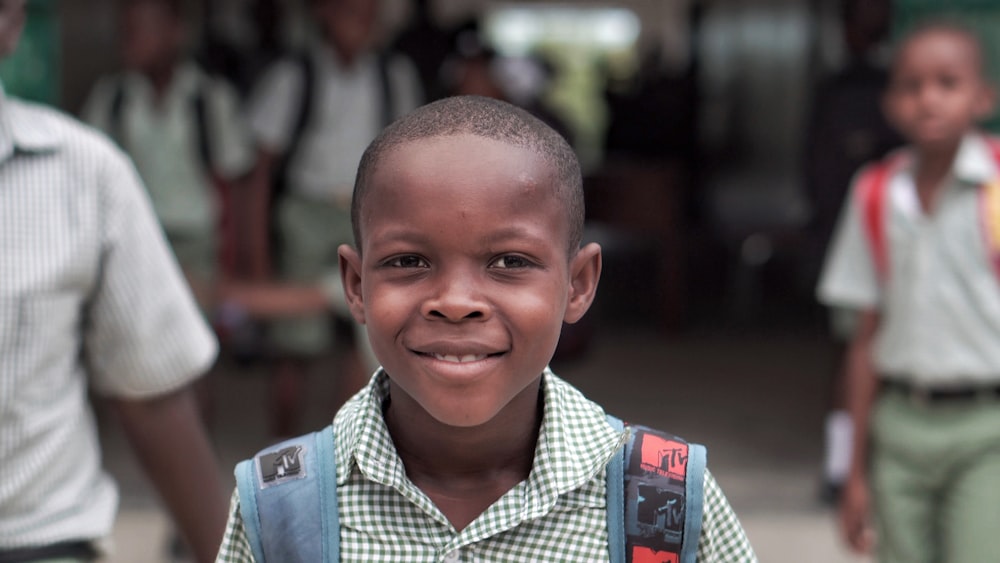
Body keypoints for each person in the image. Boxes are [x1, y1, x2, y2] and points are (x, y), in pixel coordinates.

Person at [215, 95, 756, 562]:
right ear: (356, 284)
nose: (455, 303)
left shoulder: (664, 501)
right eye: (409, 262)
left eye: (510, 263)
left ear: (579, 284)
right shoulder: (282, 505)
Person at [0, 1, 228, 562]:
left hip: (38, 539)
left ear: (12, 23)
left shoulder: (82, 172)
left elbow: (151, 392)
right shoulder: (112, 101)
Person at [818, 22, 1000, 562]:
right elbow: (861, 340)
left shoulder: (995, 189)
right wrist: (851, 473)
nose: (929, 100)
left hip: (987, 429)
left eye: (948, 83)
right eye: (912, 85)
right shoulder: (875, 193)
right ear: (890, 102)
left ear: (983, 96)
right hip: (898, 429)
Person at [245, 0, 422, 437]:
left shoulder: (394, 77)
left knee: (365, 339)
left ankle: (344, 449)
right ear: (323, 13)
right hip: (305, 213)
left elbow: (414, 163)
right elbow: (260, 169)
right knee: (293, 342)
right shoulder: (293, 76)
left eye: (368, 13)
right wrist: (256, 253)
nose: (360, 21)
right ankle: (284, 447)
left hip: (369, 215)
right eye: (349, 10)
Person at [82, 0, 255, 306]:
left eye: (141, 31)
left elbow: (238, 184)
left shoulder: (210, 99)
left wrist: (242, 258)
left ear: (175, 33)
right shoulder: (111, 100)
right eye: (126, 32)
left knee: (196, 332)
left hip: (198, 243)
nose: (129, 42)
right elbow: (88, 181)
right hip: (133, 240)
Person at [802, 0, 901, 505]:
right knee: (850, 350)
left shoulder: (896, 89)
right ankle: (842, 465)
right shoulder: (835, 92)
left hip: (895, 241)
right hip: (846, 237)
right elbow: (816, 174)